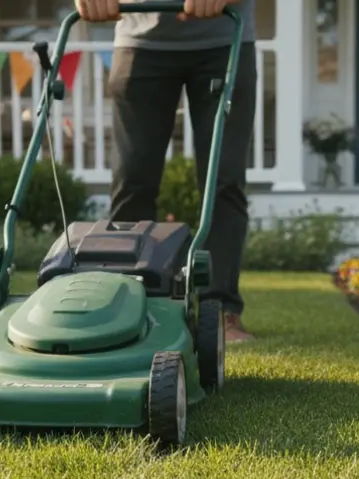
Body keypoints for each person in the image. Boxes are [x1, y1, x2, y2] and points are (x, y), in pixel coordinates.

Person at [76, 0, 258, 343]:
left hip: (224, 37)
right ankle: (129, 305)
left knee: (223, 179)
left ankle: (220, 309)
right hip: (139, 41)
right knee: (133, 180)